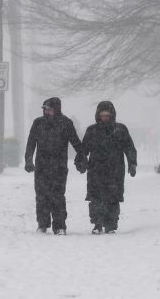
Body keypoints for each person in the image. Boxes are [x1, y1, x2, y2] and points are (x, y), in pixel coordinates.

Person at [25, 97, 84, 235]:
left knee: (58, 196)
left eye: (49, 109)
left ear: (56, 109)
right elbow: (31, 143)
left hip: (59, 167)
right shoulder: (38, 123)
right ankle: (42, 224)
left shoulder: (66, 123)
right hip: (41, 167)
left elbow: (75, 142)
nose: (47, 112)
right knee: (41, 196)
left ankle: (59, 225)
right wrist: (28, 160)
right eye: (45, 109)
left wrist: (81, 157)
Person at [78, 101, 137, 234]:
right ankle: (97, 223)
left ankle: (111, 224)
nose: (105, 117)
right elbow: (83, 149)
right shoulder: (92, 130)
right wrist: (81, 162)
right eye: (102, 115)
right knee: (95, 198)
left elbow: (129, 147)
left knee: (113, 198)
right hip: (95, 170)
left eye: (107, 115)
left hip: (115, 170)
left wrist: (132, 163)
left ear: (112, 115)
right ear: (98, 115)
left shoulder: (120, 130)